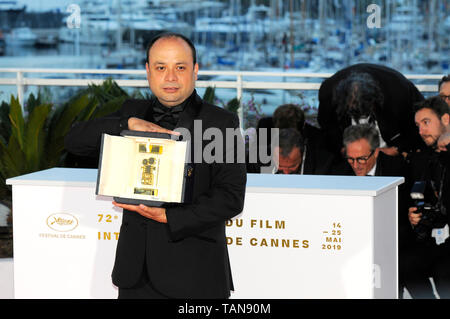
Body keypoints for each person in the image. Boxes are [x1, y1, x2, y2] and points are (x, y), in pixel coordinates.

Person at [64, 32, 247, 299]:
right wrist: (126, 125)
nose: (170, 77)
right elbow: (73, 141)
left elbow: (230, 197)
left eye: (180, 67)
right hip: (135, 274)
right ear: (148, 71)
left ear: (195, 71)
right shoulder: (131, 112)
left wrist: (169, 217)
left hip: (195, 275)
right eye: (161, 67)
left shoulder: (221, 122)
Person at [342, 123, 414, 296]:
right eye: (351, 159)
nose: (356, 165)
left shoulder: (398, 169)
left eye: (361, 159)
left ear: (375, 152)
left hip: (393, 242)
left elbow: (403, 217)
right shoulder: (340, 170)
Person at [317, 63, 425, 157]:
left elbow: (417, 127)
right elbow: (328, 128)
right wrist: (343, 149)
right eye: (353, 108)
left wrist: (396, 149)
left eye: (364, 110)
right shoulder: (328, 93)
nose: (360, 118)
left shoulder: (399, 94)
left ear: (375, 100)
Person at [400, 96, 450, 298]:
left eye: (426, 123)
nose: (421, 131)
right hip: (436, 238)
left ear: (445, 119)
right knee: (404, 265)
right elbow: (427, 199)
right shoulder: (425, 159)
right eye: (418, 125)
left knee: (444, 274)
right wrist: (417, 215)